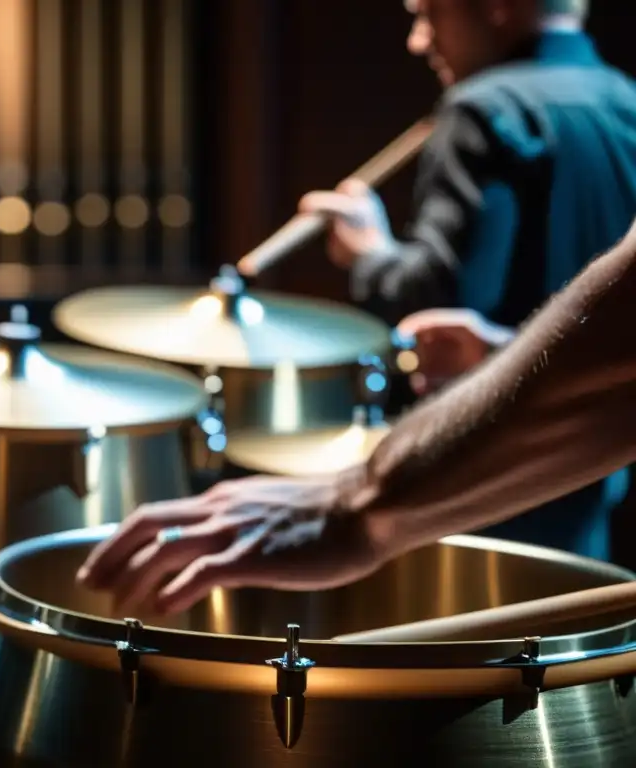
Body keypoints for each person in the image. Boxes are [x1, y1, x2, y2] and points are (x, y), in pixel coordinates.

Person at [76, 215, 636, 614]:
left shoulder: (483, 112)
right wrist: (512, 350)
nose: (419, 40)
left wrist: (361, 502)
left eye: (426, 33)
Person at [296, 0, 636, 560]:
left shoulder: (484, 108)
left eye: (428, 12)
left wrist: (369, 252)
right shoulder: (623, 97)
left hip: (486, 477)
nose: (418, 39)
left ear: (497, 7)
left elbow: (439, 301)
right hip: (589, 470)